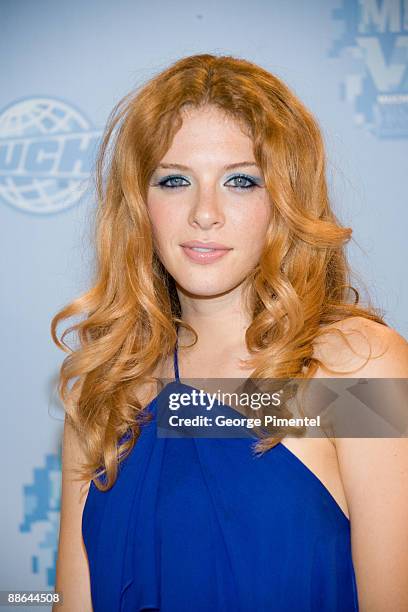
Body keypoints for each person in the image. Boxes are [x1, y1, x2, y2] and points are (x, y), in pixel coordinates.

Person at [51, 53, 408, 611]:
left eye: (241, 181)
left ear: (284, 200)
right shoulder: (106, 388)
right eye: (174, 181)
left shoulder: (356, 367)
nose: (205, 213)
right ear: (140, 206)